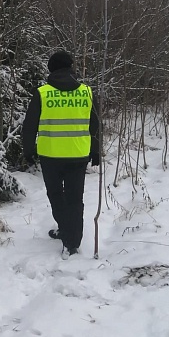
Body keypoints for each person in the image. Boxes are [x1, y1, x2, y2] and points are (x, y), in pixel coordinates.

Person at [22, 50, 99, 258]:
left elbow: (29, 126)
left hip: (51, 156)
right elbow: (95, 125)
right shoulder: (86, 91)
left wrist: (27, 151)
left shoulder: (42, 93)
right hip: (78, 154)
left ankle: (68, 236)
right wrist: (96, 152)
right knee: (75, 199)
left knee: (56, 196)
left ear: (51, 69)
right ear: (71, 67)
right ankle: (72, 238)